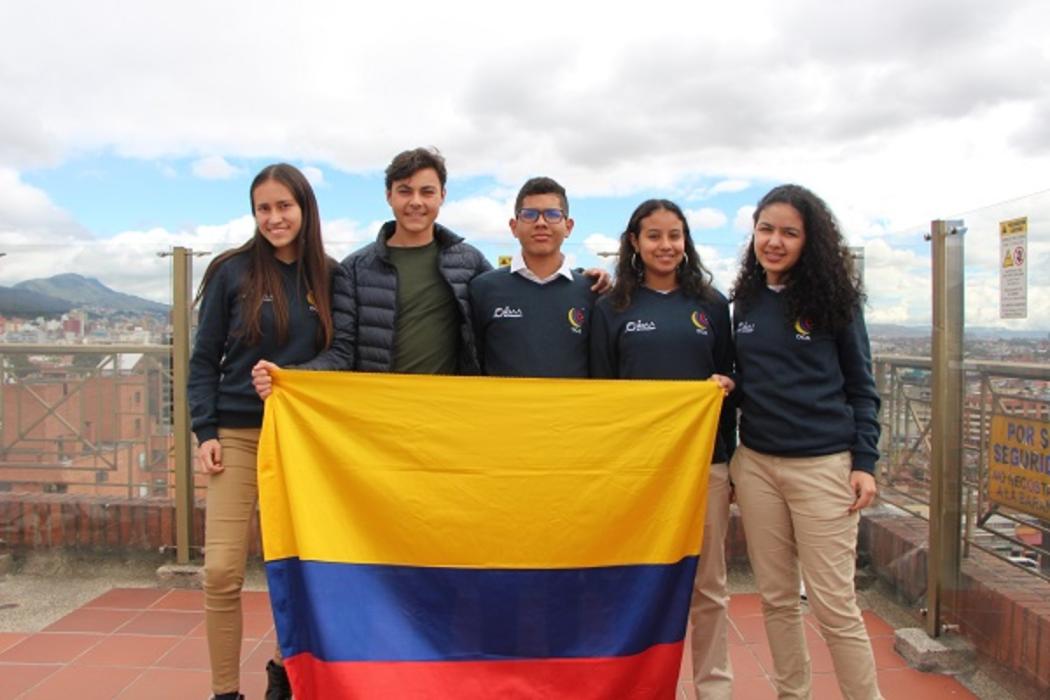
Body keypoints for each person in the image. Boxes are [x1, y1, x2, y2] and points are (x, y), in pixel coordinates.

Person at [189, 163, 350, 700]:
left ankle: (284, 673)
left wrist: (295, 378)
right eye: (264, 208)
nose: (275, 218)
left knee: (301, 570)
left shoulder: (328, 274)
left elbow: (340, 355)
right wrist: (203, 429)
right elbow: (204, 357)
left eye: (285, 206)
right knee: (220, 572)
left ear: (305, 209)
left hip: (301, 442)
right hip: (236, 433)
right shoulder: (231, 271)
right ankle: (224, 692)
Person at [730, 184, 881, 699]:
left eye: (789, 233)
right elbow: (747, 379)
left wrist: (865, 461)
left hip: (822, 468)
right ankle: (792, 694)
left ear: (808, 240)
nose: (774, 241)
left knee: (834, 604)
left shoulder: (834, 302)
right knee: (774, 598)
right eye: (766, 229)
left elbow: (862, 386)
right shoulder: (745, 301)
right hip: (756, 465)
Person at [590, 199, 736, 699]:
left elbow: (731, 380)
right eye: (654, 236)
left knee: (709, 587)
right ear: (634, 242)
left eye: (675, 236)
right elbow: (600, 393)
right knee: (637, 583)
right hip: (637, 472)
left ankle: (714, 687)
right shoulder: (611, 308)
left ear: (686, 241)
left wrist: (723, 388)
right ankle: (636, 685)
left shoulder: (712, 305)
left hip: (705, 466)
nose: (666, 246)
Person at [469, 176, 596, 377]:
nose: (541, 223)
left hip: (571, 408)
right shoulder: (482, 289)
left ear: (568, 227)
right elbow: (472, 361)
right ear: (514, 226)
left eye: (553, 214)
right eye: (529, 215)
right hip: (504, 408)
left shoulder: (592, 291)